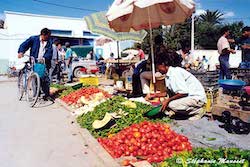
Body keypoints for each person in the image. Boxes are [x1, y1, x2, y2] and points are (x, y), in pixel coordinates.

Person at [147, 52, 207, 121]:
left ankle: (198, 111)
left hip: (196, 98)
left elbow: (183, 93)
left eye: (158, 68)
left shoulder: (175, 73)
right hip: (189, 97)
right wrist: (155, 95)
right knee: (168, 103)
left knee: (171, 104)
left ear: (163, 64)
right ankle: (183, 112)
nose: (158, 70)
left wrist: (168, 100)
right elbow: (168, 92)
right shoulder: (168, 75)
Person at [18, 28, 53, 100]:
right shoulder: (33, 39)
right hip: (34, 61)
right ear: (43, 35)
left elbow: (50, 52)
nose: (48, 38)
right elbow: (24, 45)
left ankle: (46, 94)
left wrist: (44, 58)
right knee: (34, 78)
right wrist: (21, 52)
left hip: (44, 62)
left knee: (45, 78)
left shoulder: (49, 42)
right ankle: (36, 94)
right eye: (47, 36)